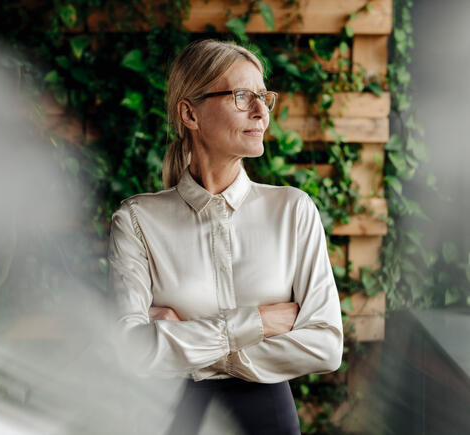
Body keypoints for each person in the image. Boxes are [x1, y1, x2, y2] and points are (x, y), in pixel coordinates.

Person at [107, 39, 343, 435]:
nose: (261, 113)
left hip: (269, 420)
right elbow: (129, 352)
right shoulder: (136, 221)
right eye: (241, 96)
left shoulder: (293, 210)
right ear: (190, 113)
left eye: (263, 97)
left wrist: (186, 346)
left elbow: (326, 346)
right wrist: (260, 322)